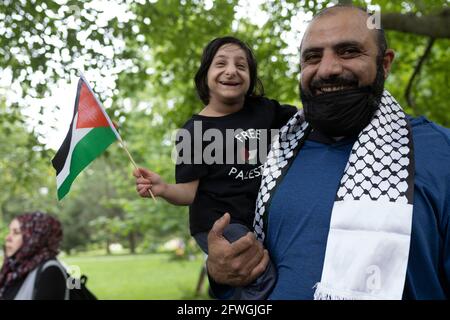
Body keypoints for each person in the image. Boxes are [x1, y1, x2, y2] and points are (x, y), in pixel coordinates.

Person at [206, 5, 450, 300]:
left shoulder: (441, 153)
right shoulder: (273, 154)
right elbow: (242, 276)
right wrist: (220, 272)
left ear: (384, 64)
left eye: (348, 51)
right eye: (312, 57)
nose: (327, 69)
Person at [134, 36, 297, 299]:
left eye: (241, 66)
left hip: (258, 217)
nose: (231, 70)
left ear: (251, 77)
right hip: (217, 224)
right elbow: (187, 193)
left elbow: (304, 121)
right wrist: (163, 187)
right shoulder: (194, 132)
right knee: (258, 274)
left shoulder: (264, 110)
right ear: (205, 75)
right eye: (221, 63)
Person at [0, 212, 68, 300]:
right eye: (10, 232)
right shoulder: (14, 269)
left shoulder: (50, 271)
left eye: (16, 233)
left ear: (35, 237)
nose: (8, 238)